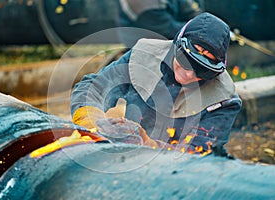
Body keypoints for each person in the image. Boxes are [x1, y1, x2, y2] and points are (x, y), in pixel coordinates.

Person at [70, 12, 242, 156]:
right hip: (125, 158)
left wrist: (145, 142)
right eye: (185, 60)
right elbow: (94, 86)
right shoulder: (144, 55)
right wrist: (91, 122)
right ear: (176, 45)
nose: (189, 73)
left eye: (202, 70)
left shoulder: (224, 99)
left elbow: (200, 155)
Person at [116, 0, 204, 46]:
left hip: (174, 33)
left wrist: (199, 21)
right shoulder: (143, 4)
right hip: (149, 47)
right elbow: (168, 30)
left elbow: (190, 10)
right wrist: (200, 29)